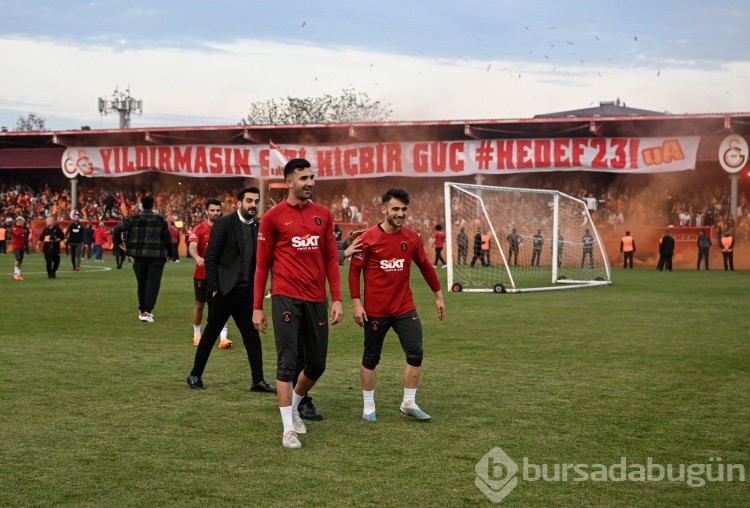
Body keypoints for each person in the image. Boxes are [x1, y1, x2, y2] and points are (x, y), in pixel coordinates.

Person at [252, 158, 343, 449]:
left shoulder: (323, 215)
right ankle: (288, 429)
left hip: (317, 298)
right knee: (287, 362)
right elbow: (262, 264)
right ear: (289, 182)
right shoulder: (273, 217)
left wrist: (338, 298)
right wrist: (257, 306)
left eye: (312, 177)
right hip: (285, 297)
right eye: (304, 178)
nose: (310, 183)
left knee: (317, 364)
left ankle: (294, 405)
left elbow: (331, 258)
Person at [349, 188, 445, 424]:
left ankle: (408, 403)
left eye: (403, 209)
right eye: (395, 209)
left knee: (416, 352)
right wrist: (357, 304)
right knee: (371, 357)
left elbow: (425, 266)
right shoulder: (368, 238)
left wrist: (439, 295)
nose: (400, 213)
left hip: (404, 308)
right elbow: (354, 272)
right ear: (384, 210)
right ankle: (369, 406)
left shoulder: (411, 238)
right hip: (375, 311)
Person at [187, 188, 274, 393]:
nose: (253, 204)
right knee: (210, 335)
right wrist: (214, 289)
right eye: (249, 200)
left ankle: (258, 381)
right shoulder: (224, 224)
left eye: (256, 201)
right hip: (224, 292)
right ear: (239, 203)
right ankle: (194, 375)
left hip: (246, 294)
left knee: (252, 337)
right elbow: (211, 258)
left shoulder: (258, 228)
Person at [112, 195, 173, 323]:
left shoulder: (134, 218)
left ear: (141, 205)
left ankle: (142, 310)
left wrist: (119, 242)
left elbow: (116, 229)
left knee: (142, 283)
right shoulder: (159, 219)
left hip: (138, 256)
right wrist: (171, 253)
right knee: (153, 283)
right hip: (156, 256)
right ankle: (147, 311)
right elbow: (167, 238)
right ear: (153, 205)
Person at [187, 198, 232, 349]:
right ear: (206, 212)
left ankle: (223, 338)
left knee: (222, 305)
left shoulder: (226, 228)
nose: (215, 213)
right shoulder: (199, 229)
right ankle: (197, 334)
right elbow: (192, 246)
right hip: (202, 274)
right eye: (212, 210)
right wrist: (197, 257)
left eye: (218, 210)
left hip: (220, 275)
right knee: (200, 305)